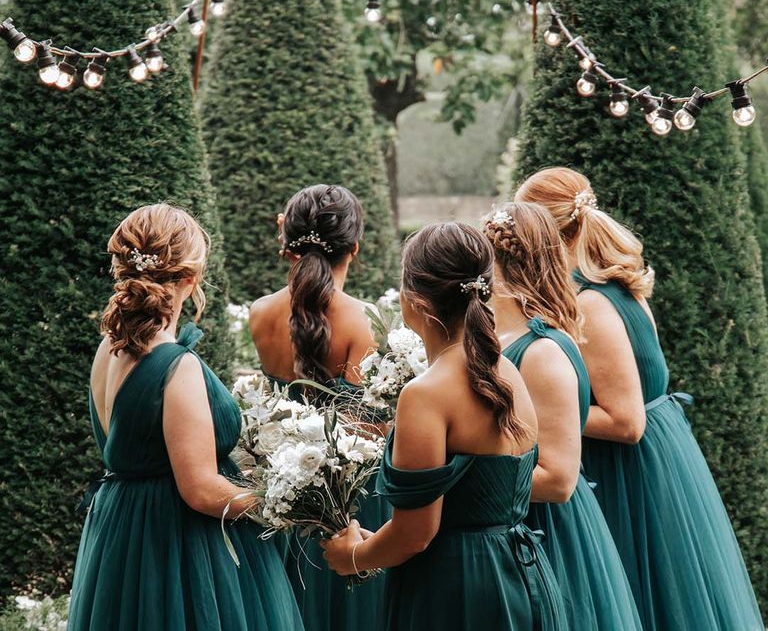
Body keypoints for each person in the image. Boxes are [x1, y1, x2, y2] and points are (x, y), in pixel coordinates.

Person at [517, 166, 762, 630]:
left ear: (542, 233)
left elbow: (627, 422)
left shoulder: (592, 301)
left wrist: (538, 409)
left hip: (627, 476)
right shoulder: (602, 283)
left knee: (645, 600)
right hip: (640, 462)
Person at [68, 203, 303, 631]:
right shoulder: (176, 366)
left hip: (121, 532)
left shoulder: (108, 348)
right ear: (191, 279)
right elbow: (199, 489)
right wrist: (286, 502)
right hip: (177, 546)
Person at [321, 222, 566, 630]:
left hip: (455, 590)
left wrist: (354, 558)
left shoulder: (426, 394)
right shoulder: (507, 370)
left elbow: (416, 533)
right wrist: (377, 538)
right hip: (520, 575)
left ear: (414, 301)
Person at [487, 201, 642, 630]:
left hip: (544, 532)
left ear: (494, 265)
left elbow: (558, 480)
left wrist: (461, 476)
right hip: (499, 527)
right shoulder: (494, 337)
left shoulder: (543, 352)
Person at [249, 184, 389, 631]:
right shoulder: (361, 319)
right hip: (353, 502)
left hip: (287, 493)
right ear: (354, 247)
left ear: (287, 244)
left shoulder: (260, 313)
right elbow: (370, 428)